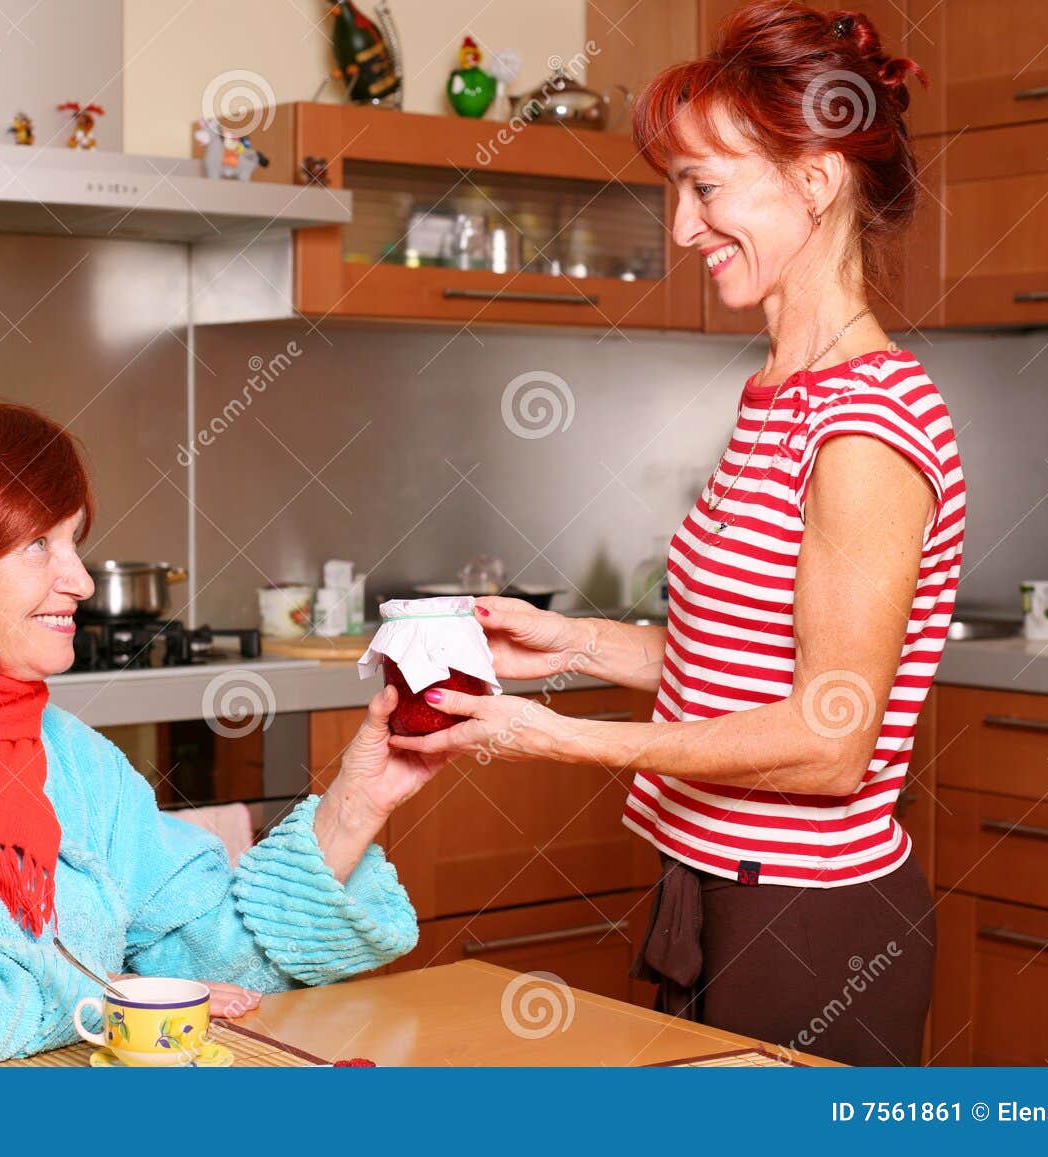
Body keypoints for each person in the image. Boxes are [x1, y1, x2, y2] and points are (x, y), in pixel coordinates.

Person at [389, 1, 964, 1066]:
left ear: (815, 178)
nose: (683, 224)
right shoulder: (779, 394)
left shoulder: (864, 427)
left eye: (703, 187)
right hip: (712, 888)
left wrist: (557, 736)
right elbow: (744, 665)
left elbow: (830, 740)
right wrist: (572, 644)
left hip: (807, 920)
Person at [0, 390, 443, 1065]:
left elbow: (209, 960)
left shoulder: (68, 751)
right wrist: (94, 992)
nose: (81, 580)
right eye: (38, 544)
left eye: (73, 541)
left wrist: (355, 807)